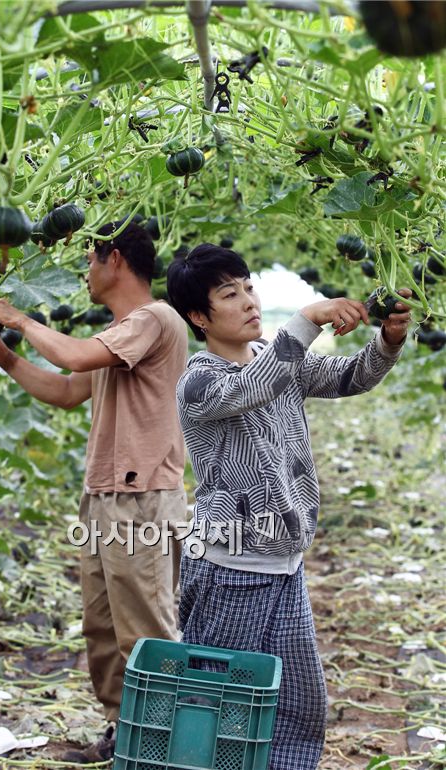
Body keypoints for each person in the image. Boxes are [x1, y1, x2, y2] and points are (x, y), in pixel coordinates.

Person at [166, 243, 412, 770]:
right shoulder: (200, 381)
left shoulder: (275, 363)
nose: (249, 301)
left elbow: (351, 377)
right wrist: (305, 318)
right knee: (212, 708)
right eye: (229, 295)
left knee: (301, 706)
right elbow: (255, 388)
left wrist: (387, 341)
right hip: (227, 569)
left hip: (285, 566)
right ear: (198, 317)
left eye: (249, 287)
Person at [0, 222, 188, 762]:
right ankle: (126, 731)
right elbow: (69, 390)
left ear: (114, 259)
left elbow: (71, 359)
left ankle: (161, 744)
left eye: (90, 260)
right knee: (103, 627)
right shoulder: (116, 336)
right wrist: (8, 359)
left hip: (141, 500)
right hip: (104, 497)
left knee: (146, 632)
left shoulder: (154, 320)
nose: (85, 274)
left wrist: (20, 319)